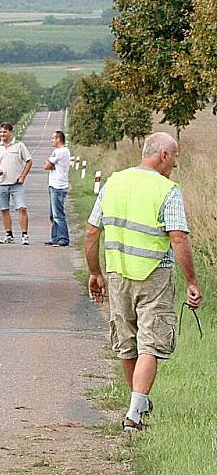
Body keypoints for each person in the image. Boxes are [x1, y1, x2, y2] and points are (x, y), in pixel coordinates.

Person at [86, 132, 203, 433]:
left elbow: (91, 232)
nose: (175, 165)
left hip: (118, 274)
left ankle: (137, 405)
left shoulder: (114, 182)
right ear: (163, 155)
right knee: (150, 342)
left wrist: (95, 272)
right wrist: (191, 279)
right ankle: (134, 415)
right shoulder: (167, 190)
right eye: (175, 158)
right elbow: (178, 237)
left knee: (127, 343)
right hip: (155, 275)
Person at [0, 122, 33, 244]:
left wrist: (23, 176)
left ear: (10, 132)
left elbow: (29, 161)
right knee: (4, 209)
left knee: (22, 208)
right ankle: (8, 234)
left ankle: (24, 234)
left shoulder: (19, 146)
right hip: (1, 183)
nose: (2, 134)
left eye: (5, 132)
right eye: (0, 132)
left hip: (16, 184)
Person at [43, 130, 70, 246]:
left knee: (58, 214)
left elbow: (46, 165)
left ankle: (63, 238)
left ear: (59, 139)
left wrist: (50, 164)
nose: (52, 140)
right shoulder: (65, 151)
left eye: (53, 138)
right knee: (53, 214)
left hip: (57, 186)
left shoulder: (58, 152)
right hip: (56, 185)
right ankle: (55, 237)